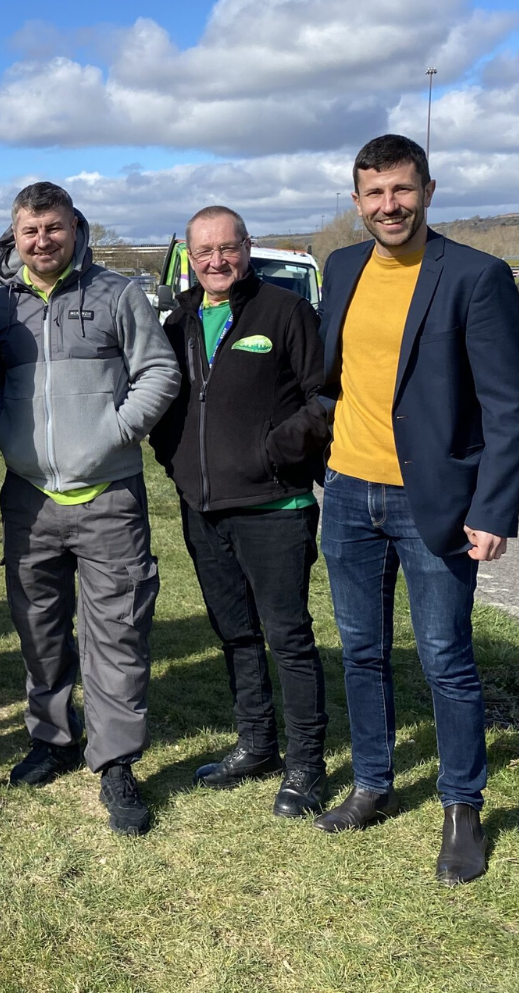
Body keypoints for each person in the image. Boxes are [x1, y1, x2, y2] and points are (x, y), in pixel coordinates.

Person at [313, 134, 519, 886]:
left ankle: (463, 808)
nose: (388, 205)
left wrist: (494, 508)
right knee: (361, 650)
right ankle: (373, 782)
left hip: (432, 502)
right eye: (373, 193)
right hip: (346, 494)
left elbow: (507, 407)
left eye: (401, 190)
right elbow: (333, 378)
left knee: (445, 659)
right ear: (357, 199)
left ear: (428, 190)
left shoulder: (477, 276)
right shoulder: (341, 269)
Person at [0, 182, 179, 834]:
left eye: (54, 228)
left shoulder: (118, 295)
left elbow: (160, 373)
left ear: (75, 228)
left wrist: (115, 432)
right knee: (38, 627)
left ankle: (116, 761)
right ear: (14, 237)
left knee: (117, 632)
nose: (42, 241)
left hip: (109, 497)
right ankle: (52, 737)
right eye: (30, 231)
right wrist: (5, 435)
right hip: (29, 498)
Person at [150, 205, 330, 817]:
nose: (216, 261)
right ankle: (256, 743)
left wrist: (277, 449)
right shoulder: (176, 320)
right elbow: (163, 395)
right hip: (203, 508)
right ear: (190, 259)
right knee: (236, 634)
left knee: (289, 637)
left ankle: (307, 767)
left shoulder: (285, 312)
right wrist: (171, 456)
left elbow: (326, 396)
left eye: (228, 248)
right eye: (204, 253)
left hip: (274, 505)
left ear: (247, 248)